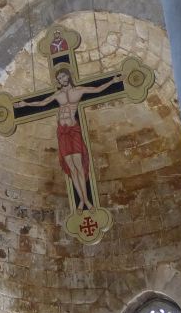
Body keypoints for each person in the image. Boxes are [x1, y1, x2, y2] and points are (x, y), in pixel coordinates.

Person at [20, 66, 120, 211]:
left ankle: (86, 201)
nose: (62, 80)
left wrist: (112, 81)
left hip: (73, 130)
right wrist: (26, 104)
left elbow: (97, 89)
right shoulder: (58, 94)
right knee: (72, 169)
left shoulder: (79, 90)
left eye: (63, 76)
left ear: (68, 76)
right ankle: (82, 201)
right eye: (59, 79)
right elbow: (42, 103)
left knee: (79, 166)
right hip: (62, 132)